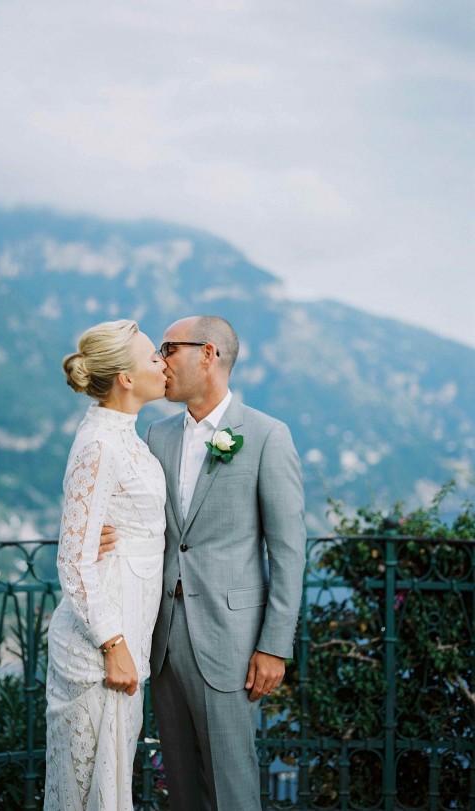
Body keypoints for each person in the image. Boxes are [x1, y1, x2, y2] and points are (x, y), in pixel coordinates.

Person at [100, 315, 306, 811]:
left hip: (230, 644)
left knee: (232, 788)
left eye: (169, 348)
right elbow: (148, 521)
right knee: (182, 788)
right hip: (164, 640)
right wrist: (107, 533)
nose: (160, 360)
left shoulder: (265, 436)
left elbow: (288, 550)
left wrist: (274, 646)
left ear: (207, 354)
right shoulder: (157, 435)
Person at [44, 319, 168, 811]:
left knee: (112, 786)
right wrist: (113, 646)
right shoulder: (99, 444)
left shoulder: (126, 437)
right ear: (127, 378)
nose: (162, 362)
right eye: (152, 356)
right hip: (100, 650)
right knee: (88, 790)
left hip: (128, 635)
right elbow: (74, 560)